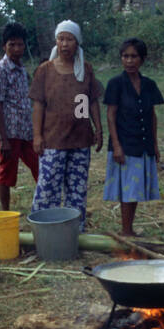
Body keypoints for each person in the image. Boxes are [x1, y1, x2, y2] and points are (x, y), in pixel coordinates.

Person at [30, 20, 104, 230]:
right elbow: (38, 105)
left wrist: (98, 129)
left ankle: (74, 229)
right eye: (61, 39)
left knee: (77, 188)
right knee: (48, 188)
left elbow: (92, 102)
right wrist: (37, 136)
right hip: (52, 140)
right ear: (56, 42)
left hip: (80, 139)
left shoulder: (85, 69)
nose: (64, 44)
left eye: (69, 39)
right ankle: (45, 229)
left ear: (77, 42)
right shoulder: (45, 70)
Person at [103, 38, 164, 237]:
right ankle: (126, 230)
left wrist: (155, 144)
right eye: (125, 56)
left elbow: (152, 115)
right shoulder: (115, 84)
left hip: (143, 142)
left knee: (136, 188)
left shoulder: (149, 85)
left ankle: (129, 228)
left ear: (142, 59)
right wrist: (117, 146)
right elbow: (111, 115)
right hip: (125, 143)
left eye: (133, 56)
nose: (129, 61)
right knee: (127, 189)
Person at [0, 22, 37, 212]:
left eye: (20, 44)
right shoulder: (1, 70)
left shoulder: (22, 69)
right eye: (12, 45)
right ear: (4, 46)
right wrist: (4, 139)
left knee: (40, 167)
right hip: (9, 133)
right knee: (7, 175)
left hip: (26, 130)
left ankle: (43, 205)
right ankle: (5, 211)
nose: (17, 48)